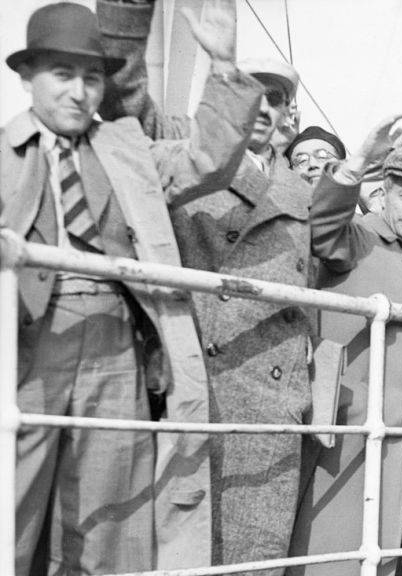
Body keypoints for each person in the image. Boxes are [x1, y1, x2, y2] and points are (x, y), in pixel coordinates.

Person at [4, 2, 261, 573]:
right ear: (26, 76)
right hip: (22, 350)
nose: (79, 93)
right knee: (11, 507)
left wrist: (222, 64)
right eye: (63, 75)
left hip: (118, 352)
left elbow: (207, 159)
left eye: (92, 77)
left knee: (110, 518)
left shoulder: (126, 148)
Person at [96, 0, 338, 569]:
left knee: (255, 554)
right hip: (199, 381)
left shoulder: (300, 187)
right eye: (249, 87)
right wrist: (130, 15)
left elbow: (337, 232)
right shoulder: (182, 138)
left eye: (275, 95)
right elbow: (123, 93)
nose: (261, 102)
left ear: (287, 114)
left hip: (272, 400)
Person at [291, 136, 402, 576]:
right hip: (352, 424)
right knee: (336, 544)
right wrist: (354, 166)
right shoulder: (359, 235)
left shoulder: (399, 251)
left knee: (381, 544)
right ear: (383, 190)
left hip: (395, 427)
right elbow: (324, 225)